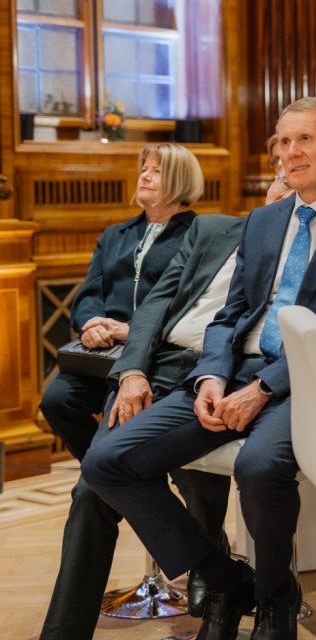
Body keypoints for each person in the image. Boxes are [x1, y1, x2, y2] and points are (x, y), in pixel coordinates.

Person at [81, 97, 316, 640]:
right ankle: (223, 577)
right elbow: (230, 315)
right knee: (107, 461)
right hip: (232, 374)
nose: (290, 152)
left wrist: (261, 390)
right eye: (283, 141)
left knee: (258, 467)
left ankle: (275, 596)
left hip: (314, 382)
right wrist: (211, 376)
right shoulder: (263, 221)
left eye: (304, 139)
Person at [39, 143, 297, 640]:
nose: (287, 195)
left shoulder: (305, 253)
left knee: (94, 488)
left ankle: (221, 579)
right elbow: (156, 307)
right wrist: (132, 372)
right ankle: (221, 576)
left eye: (299, 190)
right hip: (158, 366)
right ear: (268, 187)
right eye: (281, 182)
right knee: (92, 485)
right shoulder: (214, 230)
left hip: (221, 376)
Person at [38, 145, 200, 461]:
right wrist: (91, 325)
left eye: (157, 171)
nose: (145, 176)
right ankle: (110, 474)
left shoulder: (198, 234)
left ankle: (107, 475)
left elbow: (190, 302)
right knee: (57, 401)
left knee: (118, 428)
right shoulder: (116, 234)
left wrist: (133, 331)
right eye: (144, 169)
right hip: (106, 354)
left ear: (181, 179)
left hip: (158, 354)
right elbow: (90, 292)